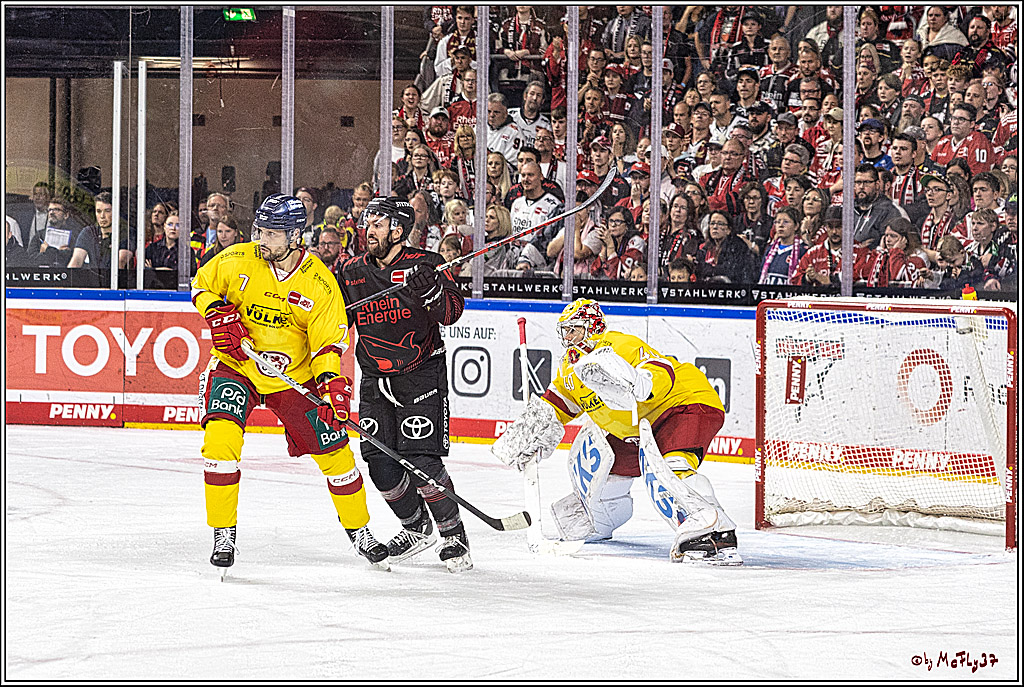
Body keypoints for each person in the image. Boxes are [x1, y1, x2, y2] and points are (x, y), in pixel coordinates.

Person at [191, 193, 389, 572]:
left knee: (336, 452)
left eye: (271, 233)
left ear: (295, 236)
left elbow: (327, 345)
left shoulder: (320, 284)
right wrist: (216, 313)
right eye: (260, 230)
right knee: (220, 440)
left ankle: (360, 531)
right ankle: (223, 532)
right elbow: (201, 285)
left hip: (294, 377)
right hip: (238, 366)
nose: (261, 239)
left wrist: (331, 386)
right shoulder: (237, 259)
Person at [492, 299, 740, 565]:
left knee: (672, 467)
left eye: (574, 329)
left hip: (684, 405)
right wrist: (530, 432)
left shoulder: (617, 345)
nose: (568, 337)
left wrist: (641, 383)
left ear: (593, 327)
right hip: (640, 429)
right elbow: (557, 406)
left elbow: (661, 369)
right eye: (565, 331)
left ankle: (715, 533)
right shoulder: (568, 370)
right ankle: (600, 520)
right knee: (602, 463)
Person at [337, 197, 472, 573]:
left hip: (420, 373)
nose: (369, 231)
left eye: (377, 224)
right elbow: (334, 320)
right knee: (378, 461)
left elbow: (452, 313)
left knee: (421, 459)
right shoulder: (351, 271)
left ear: (397, 230)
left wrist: (431, 293)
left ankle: (453, 535)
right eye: (368, 224)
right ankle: (415, 526)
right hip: (374, 377)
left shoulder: (426, 264)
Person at [694, 210, 757, 284]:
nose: (715, 227)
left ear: (728, 230)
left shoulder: (737, 246)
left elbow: (729, 271)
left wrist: (705, 268)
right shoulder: (706, 248)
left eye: (720, 224)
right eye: (712, 223)